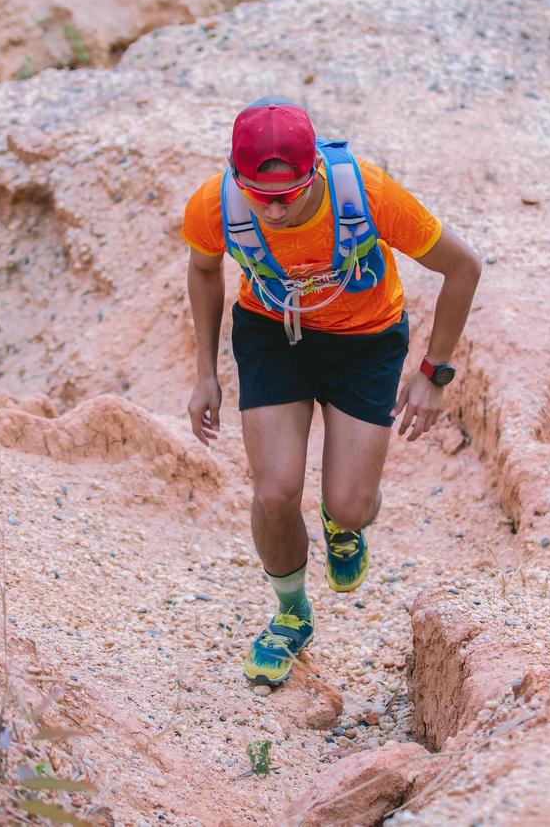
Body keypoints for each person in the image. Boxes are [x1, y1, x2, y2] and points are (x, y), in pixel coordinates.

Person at [181, 96, 482, 686]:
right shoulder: (214, 205)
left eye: (288, 193)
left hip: (365, 342)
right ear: (236, 177)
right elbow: (202, 268)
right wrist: (204, 372)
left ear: (315, 170)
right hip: (273, 334)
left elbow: (464, 266)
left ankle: (343, 526)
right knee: (274, 492)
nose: (273, 209)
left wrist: (433, 373)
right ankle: (291, 613)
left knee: (348, 504)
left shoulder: (366, 193)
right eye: (258, 195)